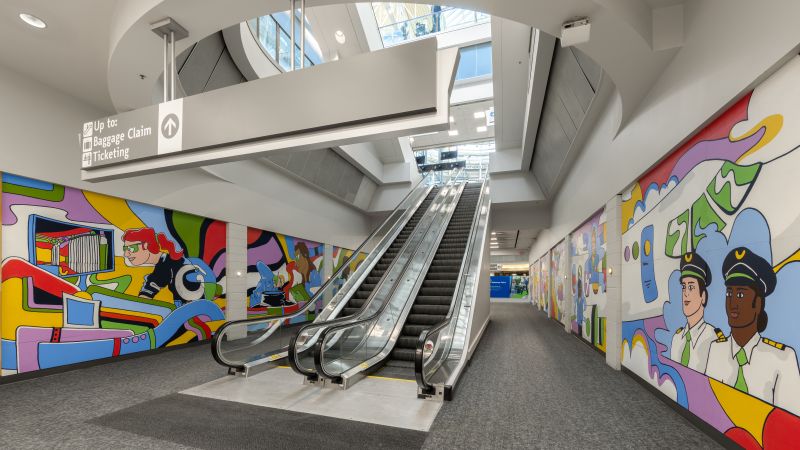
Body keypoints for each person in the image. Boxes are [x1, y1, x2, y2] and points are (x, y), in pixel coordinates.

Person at [705, 247, 800, 415]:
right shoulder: (716, 349)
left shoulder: (783, 359)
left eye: (741, 295)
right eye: (729, 294)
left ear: (758, 304)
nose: (732, 303)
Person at [122, 228, 204, 306]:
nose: (126, 254)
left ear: (146, 245)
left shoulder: (168, 263)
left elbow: (150, 288)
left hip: (195, 309)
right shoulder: (165, 262)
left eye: (131, 248)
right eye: (125, 249)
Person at [670, 252, 720, 372]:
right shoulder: (677, 338)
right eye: (684, 287)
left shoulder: (713, 339)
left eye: (691, 287)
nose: (686, 293)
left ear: (703, 296)